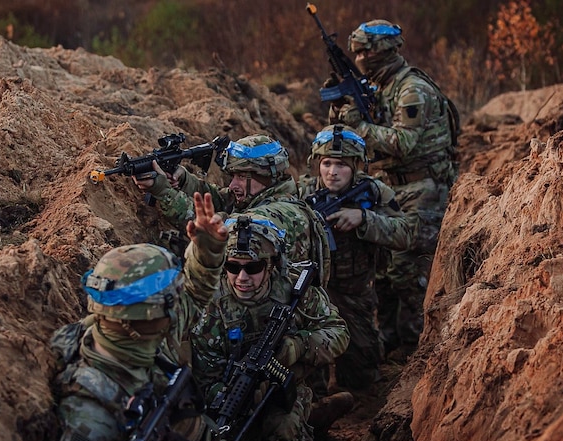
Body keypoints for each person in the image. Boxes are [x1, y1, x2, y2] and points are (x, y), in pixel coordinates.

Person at [48, 192, 341, 441]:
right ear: (143, 319)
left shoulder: (134, 334)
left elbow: (196, 291)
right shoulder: (88, 415)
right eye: (169, 301)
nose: (178, 305)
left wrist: (206, 248)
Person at [190, 214, 350, 441]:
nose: (242, 277)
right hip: (232, 397)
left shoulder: (294, 290)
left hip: (285, 393)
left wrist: (298, 346)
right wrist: (226, 397)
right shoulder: (211, 305)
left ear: (272, 264)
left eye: (253, 267)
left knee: (285, 429)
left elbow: (338, 333)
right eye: (233, 267)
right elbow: (204, 376)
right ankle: (316, 417)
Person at [328, 19, 460, 353]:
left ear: (383, 51)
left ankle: (419, 348)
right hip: (389, 187)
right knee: (385, 271)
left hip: (422, 190)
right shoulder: (379, 87)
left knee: (408, 271)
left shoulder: (411, 88)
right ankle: (387, 344)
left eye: (365, 51)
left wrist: (361, 126)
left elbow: (405, 142)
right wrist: (341, 115)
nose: (359, 58)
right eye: (356, 52)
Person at [298, 125, 414, 390]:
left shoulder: (373, 192)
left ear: (356, 166)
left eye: (341, 164)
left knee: (363, 379)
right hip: (310, 296)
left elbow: (406, 234)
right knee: (307, 373)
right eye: (326, 163)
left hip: (355, 294)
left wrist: (364, 219)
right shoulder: (301, 193)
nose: (332, 172)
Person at [135, 134, 330, 285]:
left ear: (264, 176)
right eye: (232, 176)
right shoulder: (264, 195)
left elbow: (210, 233)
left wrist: (163, 191)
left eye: (241, 177)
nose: (233, 184)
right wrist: (184, 180)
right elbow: (220, 199)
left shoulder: (276, 214)